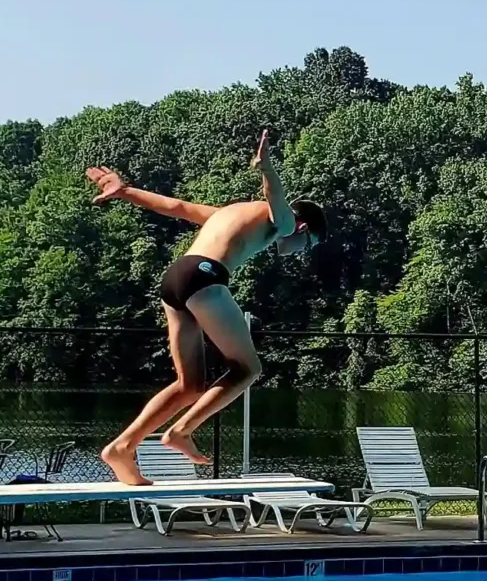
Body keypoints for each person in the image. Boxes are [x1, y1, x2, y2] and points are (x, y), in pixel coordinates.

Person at [87, 130, 325, 485]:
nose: (301, 251)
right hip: (204, 277)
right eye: (308, 244)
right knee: (247, 369)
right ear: (303, 227)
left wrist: (125, 192)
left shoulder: (228, 213)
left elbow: (176, 207)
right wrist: (266, 167)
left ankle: (121, 447)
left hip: (175, 279)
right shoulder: (286, 222)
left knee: (189, 385)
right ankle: (180, 431)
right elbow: (275, 197)